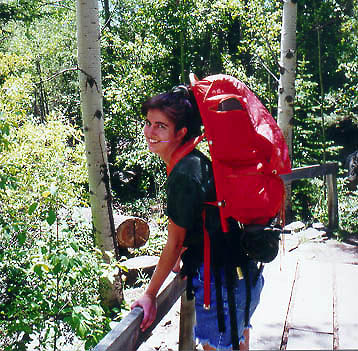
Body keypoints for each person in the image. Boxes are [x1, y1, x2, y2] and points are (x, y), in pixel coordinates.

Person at [131, 86, 264, 351]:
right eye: (148, 123)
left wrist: (149, 295)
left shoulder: (184, 173)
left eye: (160, 126)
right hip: (242, 274)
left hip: (220, 284)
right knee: (238, 342)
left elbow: (174, 243)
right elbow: (202, 221)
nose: (150, 132)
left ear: (180, 133)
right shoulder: (196, 161)